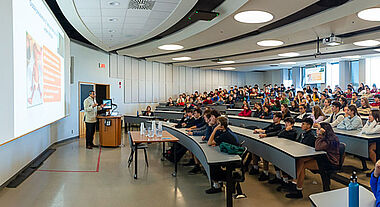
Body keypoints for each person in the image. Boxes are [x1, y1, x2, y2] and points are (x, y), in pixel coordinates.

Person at [286, 123, 340, 198]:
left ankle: (295, 185)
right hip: (322, 157)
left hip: (329, 162)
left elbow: (317, 147)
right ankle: (296, 187)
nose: (317, 131)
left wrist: (320, 135)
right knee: (301, 161)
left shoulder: (332, 139)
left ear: (324, 131)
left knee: (302, 163)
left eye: (319, 129)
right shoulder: (326, 137)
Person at [206, 116, 239, 194]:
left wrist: (214, 130)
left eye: (218, 124)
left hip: (232, 158)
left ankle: (218, 185)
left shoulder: (225, 134)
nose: (216, 126)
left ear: (222, 126)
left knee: (213, 166)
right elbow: (210, 139)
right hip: (230, 154)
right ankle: (219, 182)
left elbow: (209, 143)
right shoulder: (226, 131)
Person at [251, 113, 283, 180]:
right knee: (254, 151)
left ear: (279, 119)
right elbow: (265, 129)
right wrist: (259, 130)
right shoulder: (273, 124)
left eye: (275, 117)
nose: (273, 118)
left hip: (273, 143)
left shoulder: (279, 126)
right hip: (266, 140)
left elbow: (271, 132)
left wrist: (263, 132)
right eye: (273, 117)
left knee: (265, 156)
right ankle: (255, 167)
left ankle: (266, 173)